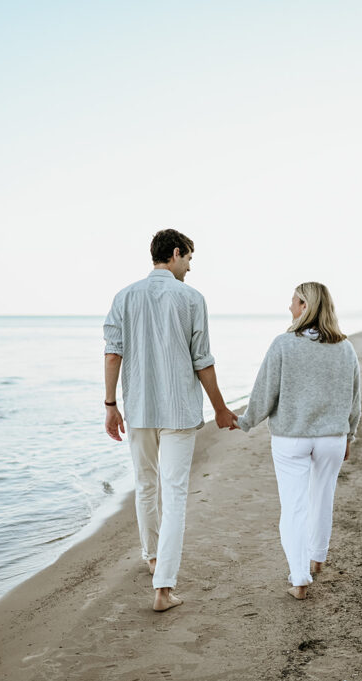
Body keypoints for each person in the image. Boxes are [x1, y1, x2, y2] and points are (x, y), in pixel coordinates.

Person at [103, 229, 238, 612]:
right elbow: (203, 361)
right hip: (178, 411)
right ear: (175, 253)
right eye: (189, 259)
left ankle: (152, 558)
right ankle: (163, 588)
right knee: (174, 493)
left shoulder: (124, 296)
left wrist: (111, 404)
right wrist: (220, 408)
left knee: (146, 485)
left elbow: (113, 354)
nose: (190, 268)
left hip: (141, 409)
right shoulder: (191, 298)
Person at [237, 282, 361, 600]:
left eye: (293, 302)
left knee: (294, 508)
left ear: (305, 305)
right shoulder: (345, 348)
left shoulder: (283, 344)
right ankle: (317, 559)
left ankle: (300, 580)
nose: (289, 307)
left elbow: (265, 391)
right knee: (323, 497)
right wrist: (350, 434)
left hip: (292, 438)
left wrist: (245, 421)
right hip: (332, 437)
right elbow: (354, 398)